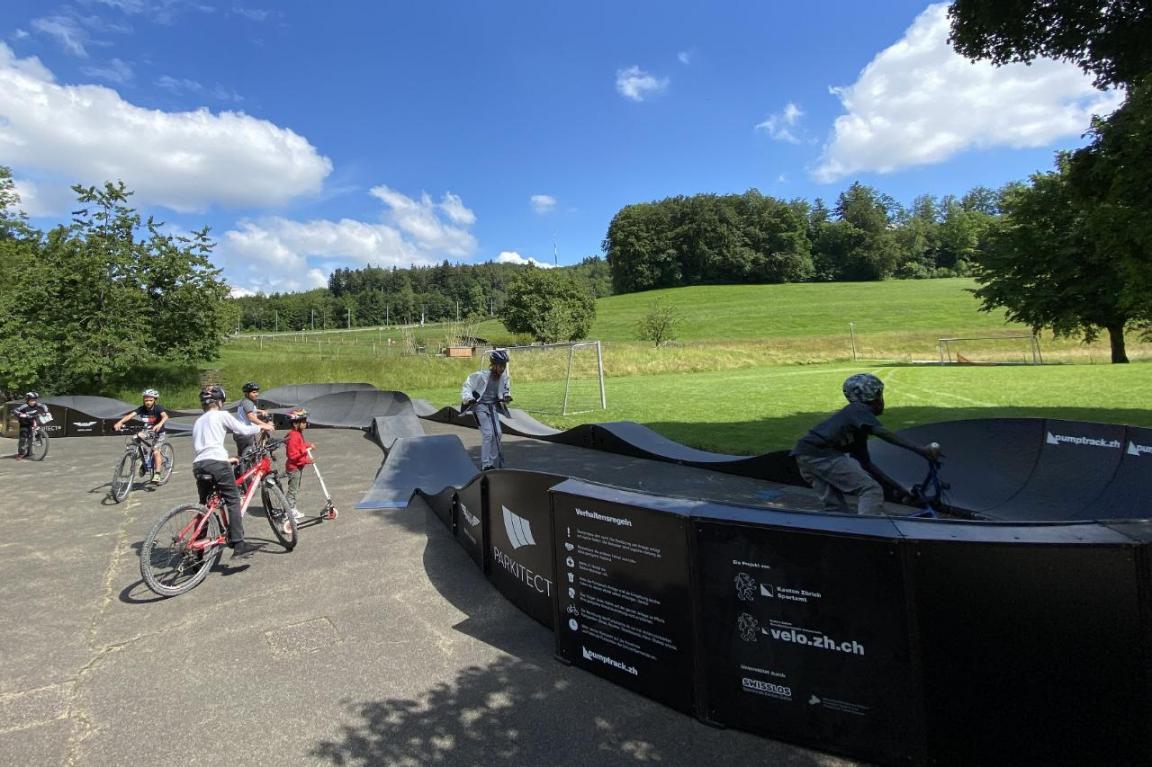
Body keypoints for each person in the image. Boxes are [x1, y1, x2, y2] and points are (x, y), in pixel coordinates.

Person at [791, 373, 941, 516]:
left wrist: (899, 489)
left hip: (804, 455)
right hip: (821, 455)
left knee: (836, 509)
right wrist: (921, 450)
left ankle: (843, 531)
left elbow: (867, 465)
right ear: (873, 396)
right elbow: (882, 432)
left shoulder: (857, 428)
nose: (882, 400)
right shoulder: (857, 409)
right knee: (870, 489)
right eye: (880, 394)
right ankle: (871, 528)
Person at [192, 385, 274, 557]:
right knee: (233, 499)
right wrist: (263, 427)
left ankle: (196, 551)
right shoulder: (221, 415)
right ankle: (238, 544)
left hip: (199, 464)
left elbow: (204, 447)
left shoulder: (198, 421)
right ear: (219, 402)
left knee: (205, 506)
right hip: (216, 464)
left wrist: (227, 458)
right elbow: (242, 429)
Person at [461, 348, 512, 470]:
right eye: (500, 365)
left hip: (492, 407)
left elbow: (505, 390)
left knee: (498, 434)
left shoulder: (503, 378)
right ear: (493, 365)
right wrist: (469, 398)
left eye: (504, 366)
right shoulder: (481, 376)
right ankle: (485, 465)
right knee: (488, 434)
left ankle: (491, 461)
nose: (502, 368)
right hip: (480, 407)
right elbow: (467, 386)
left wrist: (506, 396)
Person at [113, 388, 170, 483]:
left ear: (155, 400)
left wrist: (159, 424)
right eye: (146, 400)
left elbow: (165, 416)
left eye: (150, 400)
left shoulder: (158, 408)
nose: (148, 402)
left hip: (158, 432)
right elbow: (130, 416)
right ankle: (145, 457)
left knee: (155, 451)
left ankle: (157, 473)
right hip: (147, 431)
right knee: (135, 437)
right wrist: (119, 422)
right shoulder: (142, 409)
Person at [282, 408, 312, 531]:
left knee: (295, 489)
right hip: (294, 468)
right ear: (295, 423)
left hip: (297, 467)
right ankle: (288, 513)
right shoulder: (294, 436)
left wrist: (308, 445)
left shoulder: (297, 434)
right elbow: (293, 455)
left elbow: (300, 447)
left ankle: (292, 509)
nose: (305, 423)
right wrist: (307, 459)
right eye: (303, 421)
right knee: (292, 491)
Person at [233, 381, 267, 458]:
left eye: (257, 392)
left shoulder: (245, 401)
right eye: (254, 392)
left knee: (243, 455)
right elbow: (251, 417)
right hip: (245, 433)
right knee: (249, 456)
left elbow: (250, 410)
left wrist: (260, 411)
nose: (256, 394)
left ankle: (241, 464)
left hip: (239, 433)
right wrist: (264, 425)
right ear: (247, 393)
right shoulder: (248, 403)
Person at [13, 391, 49, 459]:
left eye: (34, 400)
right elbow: (15, 410)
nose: (33, 402)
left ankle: (30, 451)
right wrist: (20, 414)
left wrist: (46, 411)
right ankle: (21, 453)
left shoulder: (37, 405)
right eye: (31, 400)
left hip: (33, 421)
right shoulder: (24, 406)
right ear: (27, 400)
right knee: (23, 438)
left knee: (32, 436)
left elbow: (44, 406)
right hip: (24, 424)